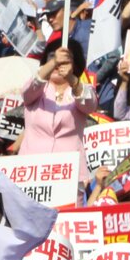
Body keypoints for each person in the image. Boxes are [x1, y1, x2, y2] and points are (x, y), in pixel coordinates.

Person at [21, 43, 97, 177]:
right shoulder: (37, 89)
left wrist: (71, 79)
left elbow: (89, 104)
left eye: (66, 59)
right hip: (32, 173)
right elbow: (27, 91)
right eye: (52, 57)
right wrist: (54, 61)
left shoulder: (82, 88)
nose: (59, 63)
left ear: (75, 65)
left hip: (67, 174)